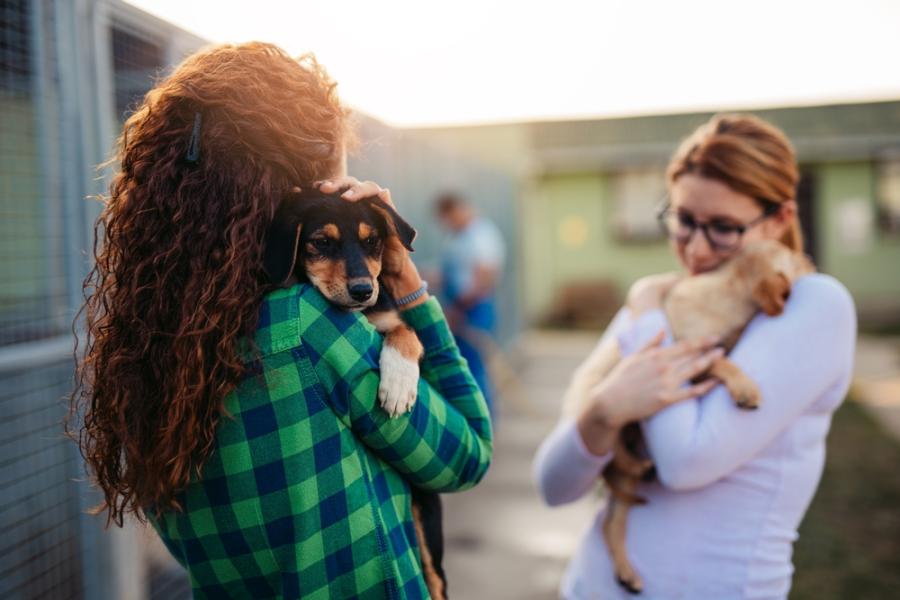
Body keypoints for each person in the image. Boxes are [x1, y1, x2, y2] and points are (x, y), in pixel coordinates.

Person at [69, 42, 492, 599]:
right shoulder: (310, 326)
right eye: (336, 162)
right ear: (299, 180)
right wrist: (407, 284)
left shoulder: (149, 346)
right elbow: (466, 456)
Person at [533, 114, 856, 599]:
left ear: (780, 220)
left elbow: (686, 462)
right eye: (684, 220)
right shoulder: (666, 304)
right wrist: (602, 411)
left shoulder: (814, 305)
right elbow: (553, 487)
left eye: (724, 228)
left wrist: (645, 312)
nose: (697, 248)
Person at [435, 191, 506, 415]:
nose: (448, 223)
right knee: (461, 367)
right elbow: (450, 272)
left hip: (473, 311)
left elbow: (485, 277)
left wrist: (458, 309)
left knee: (474, 370)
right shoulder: (456, 237)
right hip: (460, 309)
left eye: (449, 217)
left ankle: (484, 423)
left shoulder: (481, 235)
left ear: (459, 210)